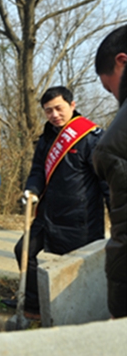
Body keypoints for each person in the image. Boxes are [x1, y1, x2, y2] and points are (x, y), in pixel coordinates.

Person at [13, 86, 109, 318]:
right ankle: (35, 306)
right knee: (24, 251)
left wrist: (116, 212)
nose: (54, 114)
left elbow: (106, 179)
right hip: (48, 214)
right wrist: (31, 190)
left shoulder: (91, 138)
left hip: (80, 217)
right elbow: (38, 170)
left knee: (78, 270)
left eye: (59, 108)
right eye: (48, 111)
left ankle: (77, 313)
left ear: (72, 105)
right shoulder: (47, 137)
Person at [93, 25, 127, 319]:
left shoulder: (109, 140)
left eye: (110, 87)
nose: (115, 98)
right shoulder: (46, 140)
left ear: (122, 61)